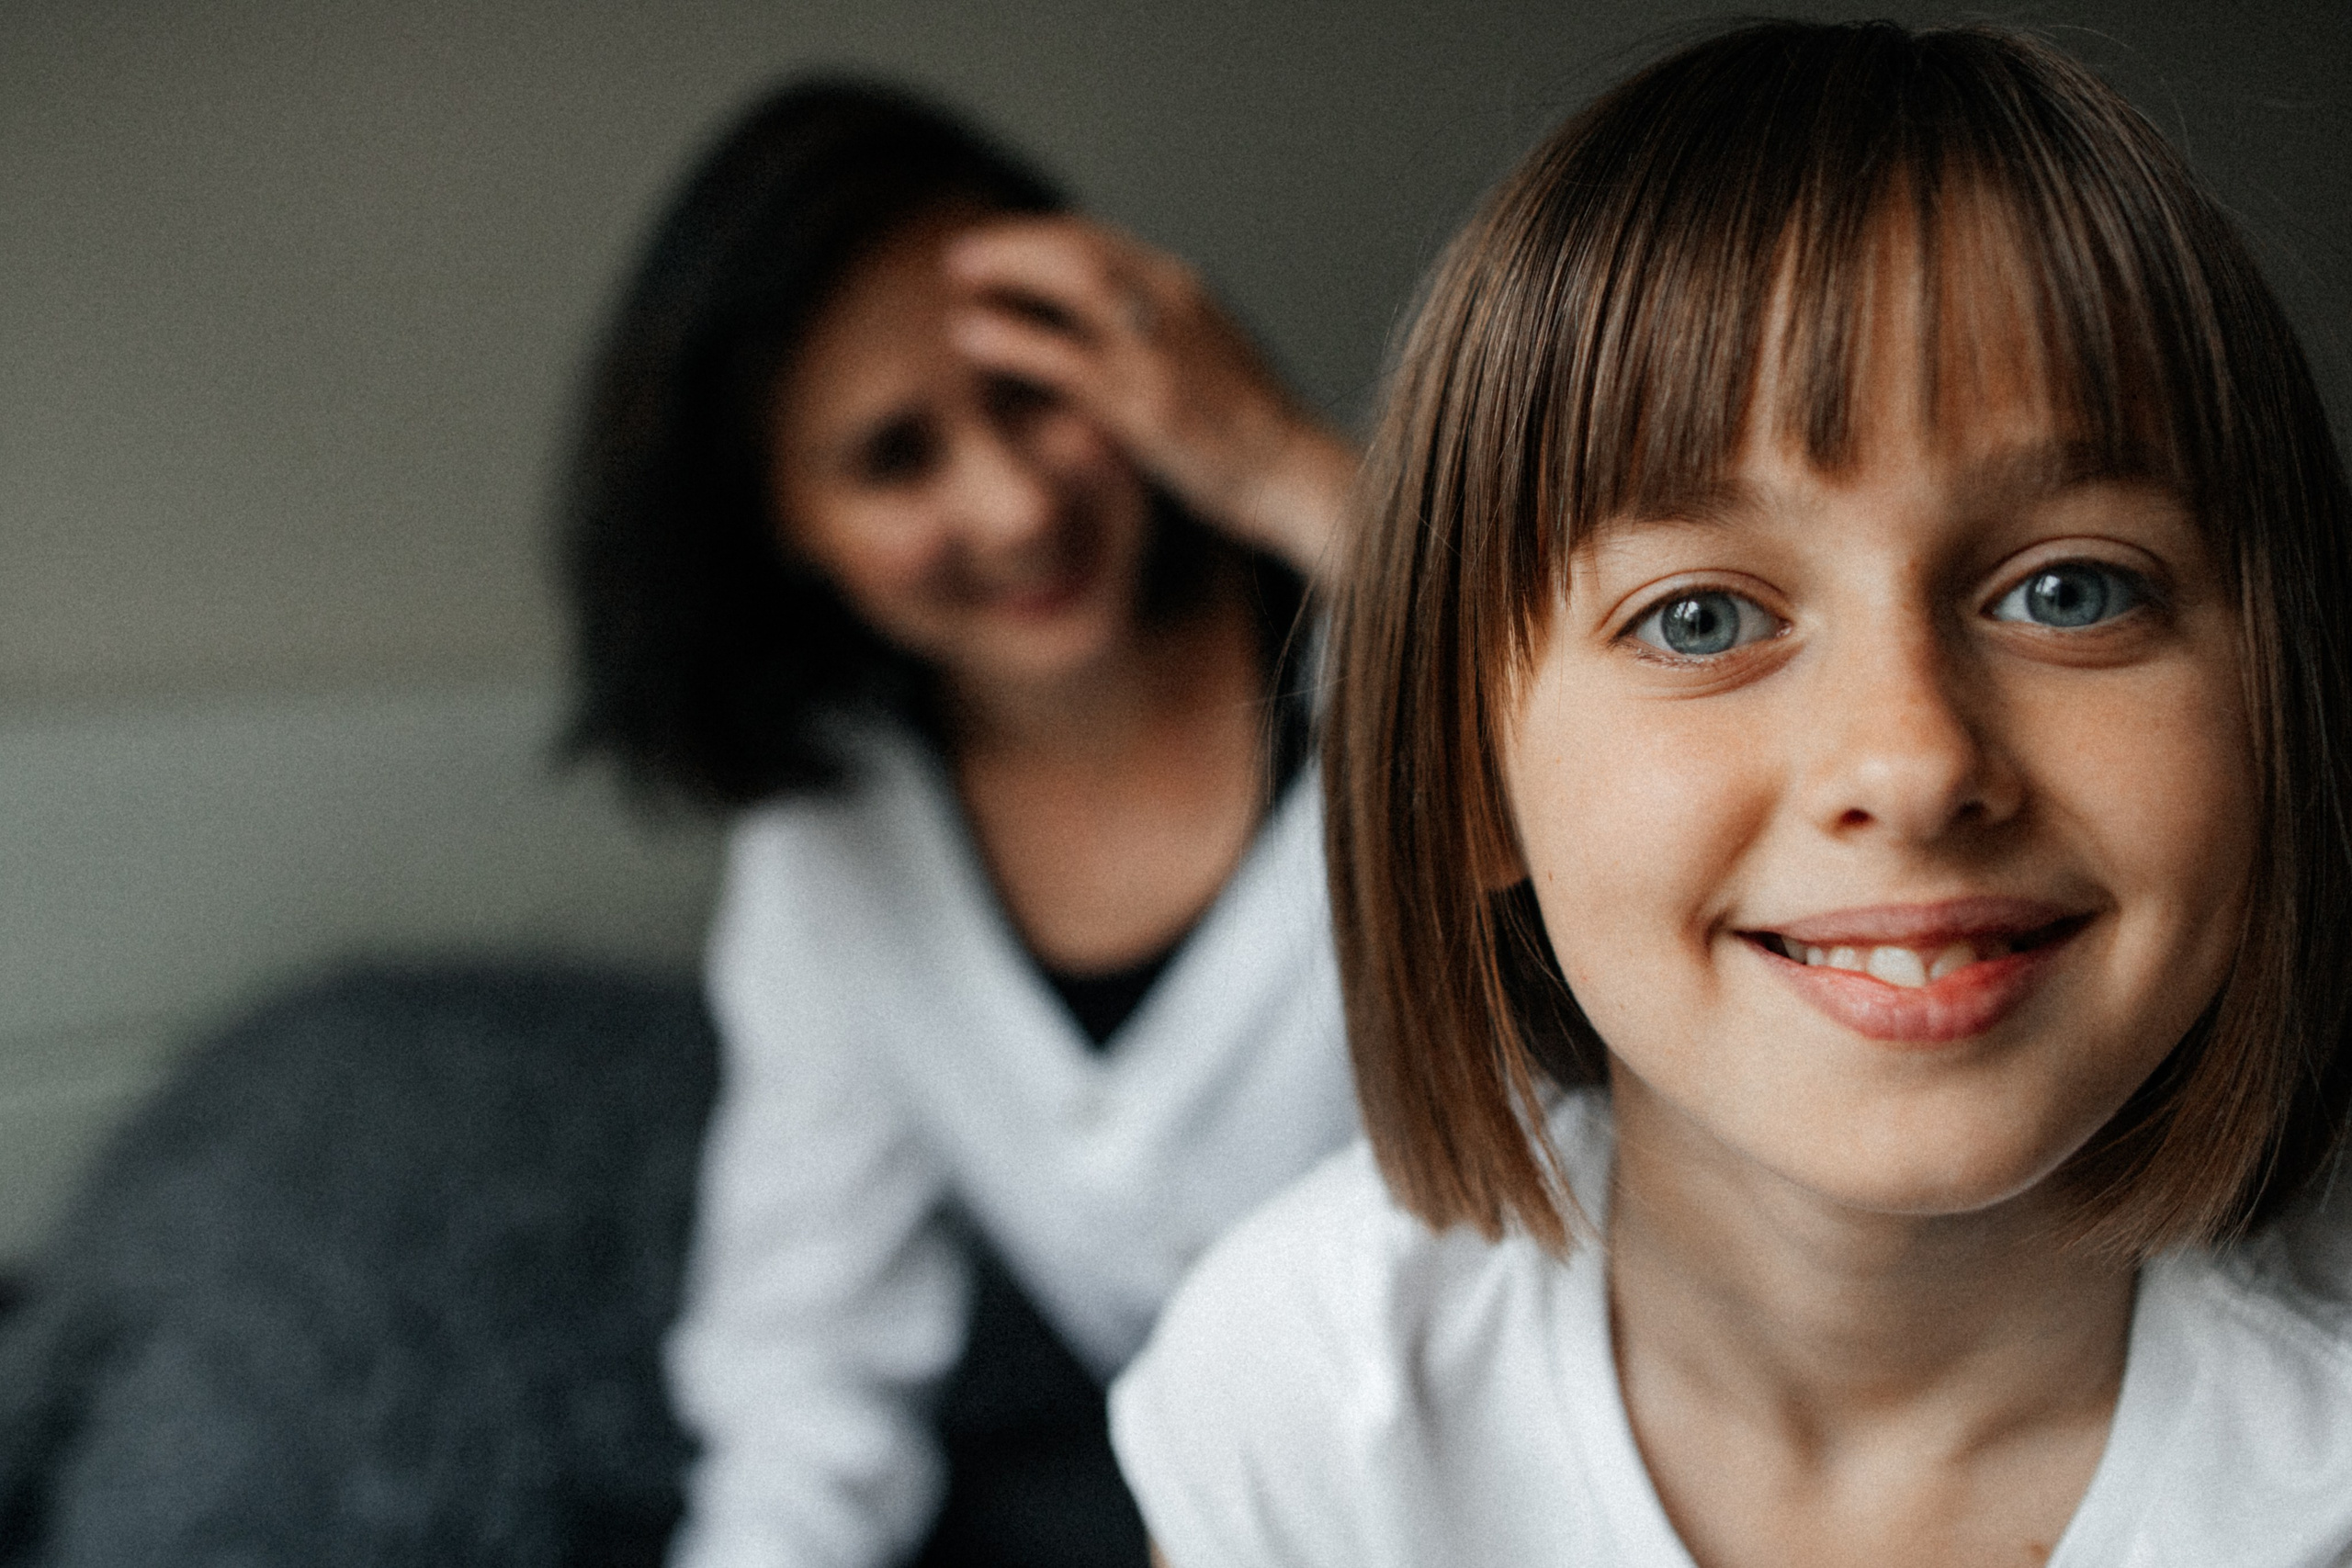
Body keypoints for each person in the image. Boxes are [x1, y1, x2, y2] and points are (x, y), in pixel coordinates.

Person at [1110, 19, 2352, 1567]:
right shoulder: (1307, 1395)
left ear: (2282, 708)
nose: (1909, 766)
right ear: (1464, 783)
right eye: (1701, 617)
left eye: (2070, 591)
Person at [559, 79, 1362, 1568]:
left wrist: (1280, 463)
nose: (1009, 506)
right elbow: (806, 1384)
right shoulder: (830, 855)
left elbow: (1638, 699)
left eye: (1031, 399)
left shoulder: (1392, 657)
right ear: (779, 530)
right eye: (895, 458)